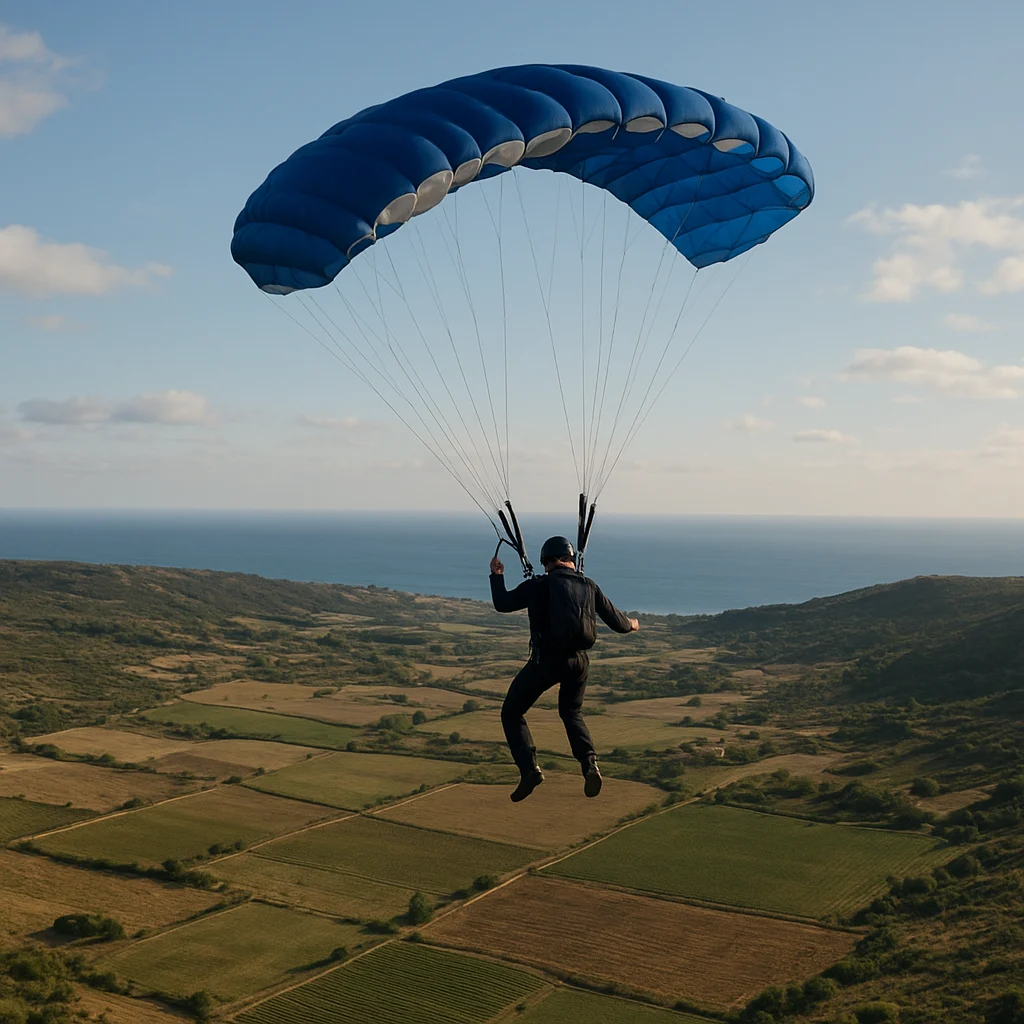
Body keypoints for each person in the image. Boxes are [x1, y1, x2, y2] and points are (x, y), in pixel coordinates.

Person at [489, 535, 639, 802]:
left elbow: (502, 603)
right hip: (579, 663)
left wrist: (497, 575)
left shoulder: (538, 585)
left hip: (547, 661)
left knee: (511, 712)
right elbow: (619, 623)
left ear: (546, 562)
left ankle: (529, 770)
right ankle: (589, 764)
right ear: (570, 560)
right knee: (571, 712)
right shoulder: (589, 585)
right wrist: (634, 624)